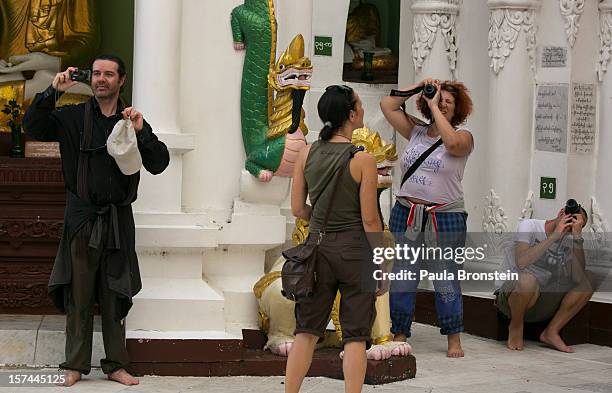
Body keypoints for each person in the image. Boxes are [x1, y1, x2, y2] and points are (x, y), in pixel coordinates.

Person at [22, 54, 169, 386]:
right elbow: (32, 126)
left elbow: (159, 162)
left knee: (115, 294)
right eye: (97, 73)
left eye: (109, 74)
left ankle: (117, 365)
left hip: (117, 219)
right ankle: (74, 364)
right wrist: (53, 91)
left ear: (122, 81)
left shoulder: (131, 121)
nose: (101, 79)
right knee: (79, 294)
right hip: (82, 219)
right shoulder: (72, 117)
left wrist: (142, 131)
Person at [285, 84, 384, 393]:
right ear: (351, 114)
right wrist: (381, 262)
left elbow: (298, 208)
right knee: (355, 334)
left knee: (307, 330)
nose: (363, 110)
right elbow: (370, 220)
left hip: (317, 248)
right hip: (355, 251)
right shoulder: (363, 160)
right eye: (360, 106)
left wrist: (323, 217)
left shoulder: (306, 152)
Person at [380, 78, 474, 358]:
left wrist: (436, 111)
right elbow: (387, 105)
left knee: (445, 278)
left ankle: (453, 336)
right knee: (402, 276)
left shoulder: (464, 135)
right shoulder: (417, 131)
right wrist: (417, 87)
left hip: (444, 217)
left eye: (448, 101)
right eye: (438, 98)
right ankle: (399, 330)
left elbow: (453, 144)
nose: (442, 103)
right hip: (406, 213)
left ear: (458, 108)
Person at [495, 204, 594, 353]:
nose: (570, 226)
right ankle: (516, 326)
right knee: (528, 279)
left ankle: (551, 332)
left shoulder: (571, 239)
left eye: (577, 224)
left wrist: (577, 238)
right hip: (512, 299)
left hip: (541, 299)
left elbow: (579, 278)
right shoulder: (529, 226)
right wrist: (554, 236)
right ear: (561, 213)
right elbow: (521, 262)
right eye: (569, 220)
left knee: (589, 277)